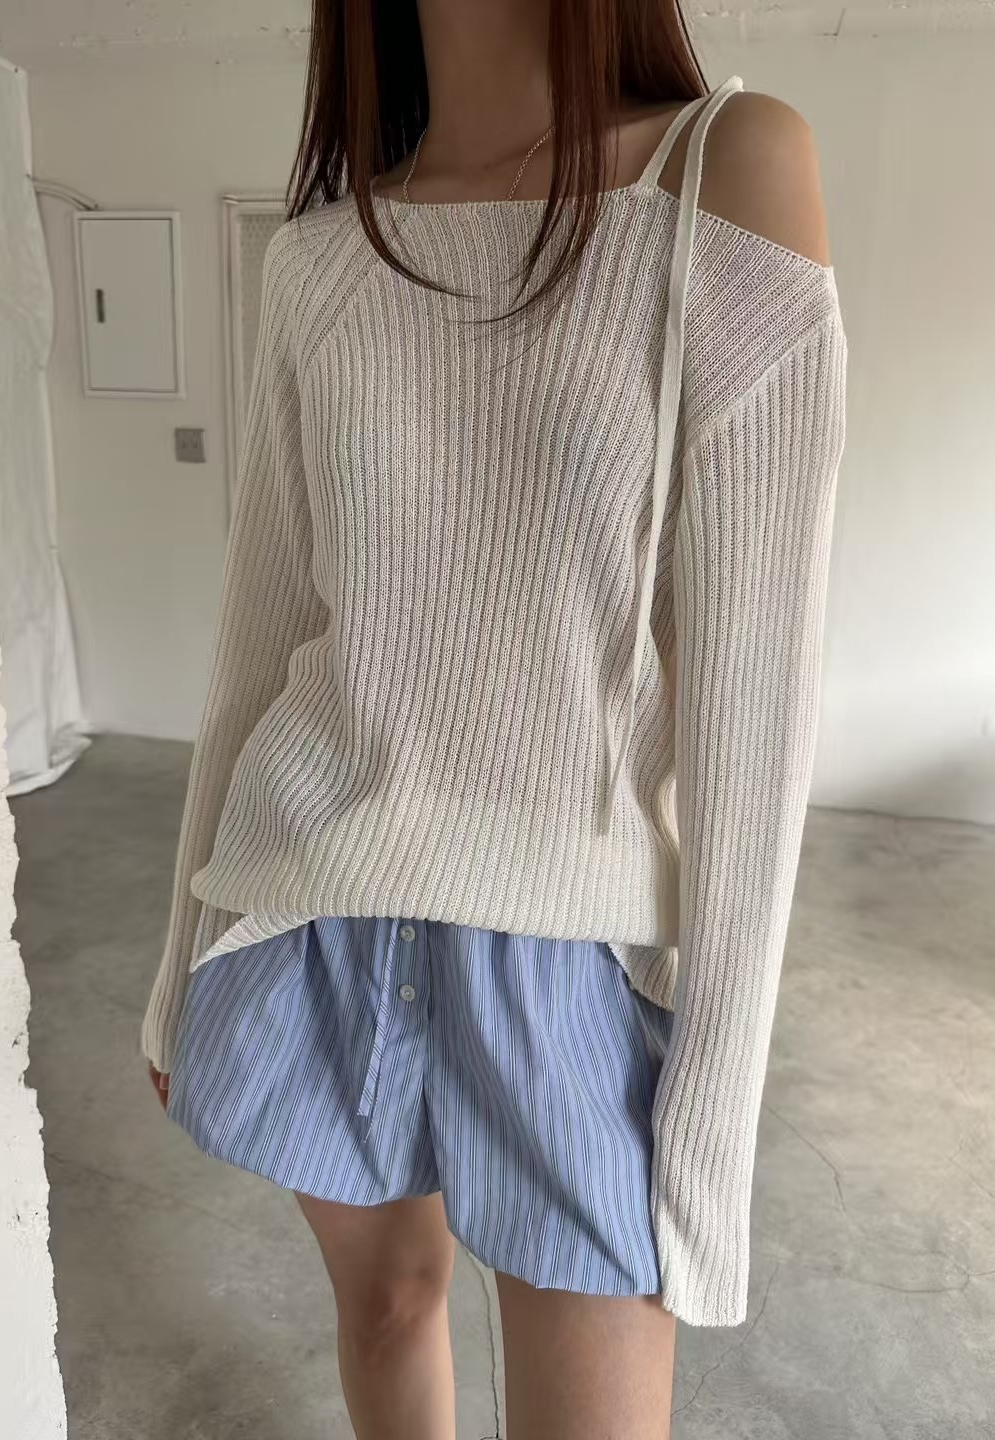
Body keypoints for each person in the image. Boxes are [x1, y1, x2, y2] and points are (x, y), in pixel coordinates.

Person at [142, 1, 847, 1434]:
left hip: (565, 958)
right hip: (313, 909)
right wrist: (176, 965)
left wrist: (710, 1127)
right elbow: (258, 639)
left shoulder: (724, 174)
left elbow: (757, 724)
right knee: (384, 1310)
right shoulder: (321, 257)